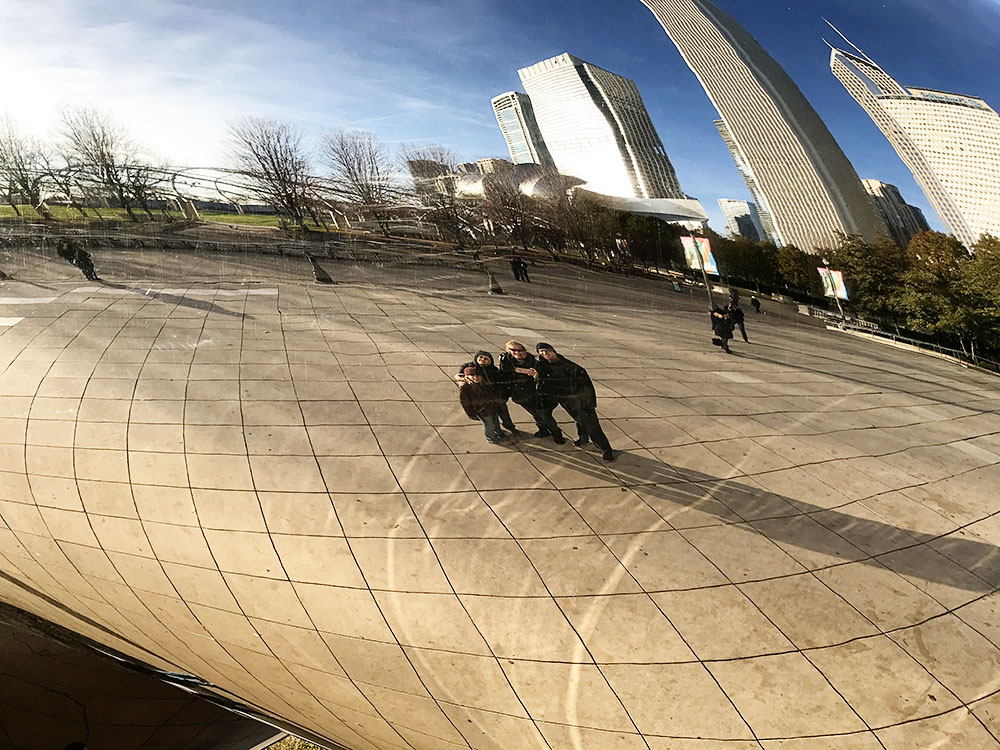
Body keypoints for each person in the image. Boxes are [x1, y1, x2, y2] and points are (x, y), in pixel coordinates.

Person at [534, 343, 615, 461]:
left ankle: (606, 450)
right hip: (566, 401)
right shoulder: (542, 366)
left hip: (582, 402)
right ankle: (583, 439)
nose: (544, 354)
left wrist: (588, 403)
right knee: (578, 420)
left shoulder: (573, 367)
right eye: (541, 352)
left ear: (553, 351)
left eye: (546, 351)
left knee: (593, 427)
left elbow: (588, 388)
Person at [498, 339, 563, 442]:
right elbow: (504, 372)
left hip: (535, 395)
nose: (517, 353)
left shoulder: (533, 362)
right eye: (513, 350)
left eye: (520, 350)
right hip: (520, 396)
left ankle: (556, 434)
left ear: (525, 351)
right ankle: (543, 430)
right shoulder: (508, 362)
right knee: (535, 414)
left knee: (544, 415)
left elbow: (545, 378)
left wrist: (536, 376)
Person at [455, 350, 516, 432]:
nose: (483, 360)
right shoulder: (471, 368)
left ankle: (510, 427)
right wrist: (464, 380)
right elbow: (460, 375)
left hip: (496, 397)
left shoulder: (494, 370)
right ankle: (494, 433)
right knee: (490, 419)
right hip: (484, 399)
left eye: (486, 358)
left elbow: (501, 381)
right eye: (480, 357)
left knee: (504, 414)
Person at [459, 365, 509, 444]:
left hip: (492, 407)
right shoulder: (466, 388)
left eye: (478, 375)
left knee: (495, 421)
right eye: (472, 375)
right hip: (481, 410)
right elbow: (464, 402)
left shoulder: (486, 383)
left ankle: (499, 432)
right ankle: (491, 438)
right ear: (467, 376)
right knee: (489, 424)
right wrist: (471, 413)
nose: (476, 377)